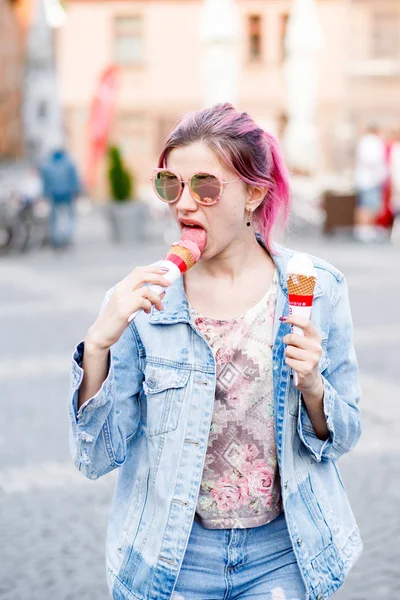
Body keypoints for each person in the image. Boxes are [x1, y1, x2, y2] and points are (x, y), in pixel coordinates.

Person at [69, 104, 362, 600]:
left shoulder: (315, 289)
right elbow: (97, 456)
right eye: (170, 185)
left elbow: (342, 436)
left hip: (284, 555)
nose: (184, 204)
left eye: (205, 187)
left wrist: (313, 386)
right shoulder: (143, 302)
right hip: (173, 560)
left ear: (254, 193)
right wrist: (98, 345)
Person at [40, 147, 81, 248]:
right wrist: (78, 191)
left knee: (54, 219)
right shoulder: (69, 163)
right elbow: (74, 178)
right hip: (68, 194)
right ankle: (67, 237)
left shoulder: (47, 164)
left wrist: (44, 194)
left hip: (53, 195)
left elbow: (45, 182)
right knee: (69, 216)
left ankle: (56, 239)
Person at [354, 124, 387, 243]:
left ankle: (366, 229)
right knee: (367, 205)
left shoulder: (366, 141)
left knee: (370, 205)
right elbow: (372, 160)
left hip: (369, 179)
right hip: (369, 180)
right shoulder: (371, 142)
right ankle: (364, 229)